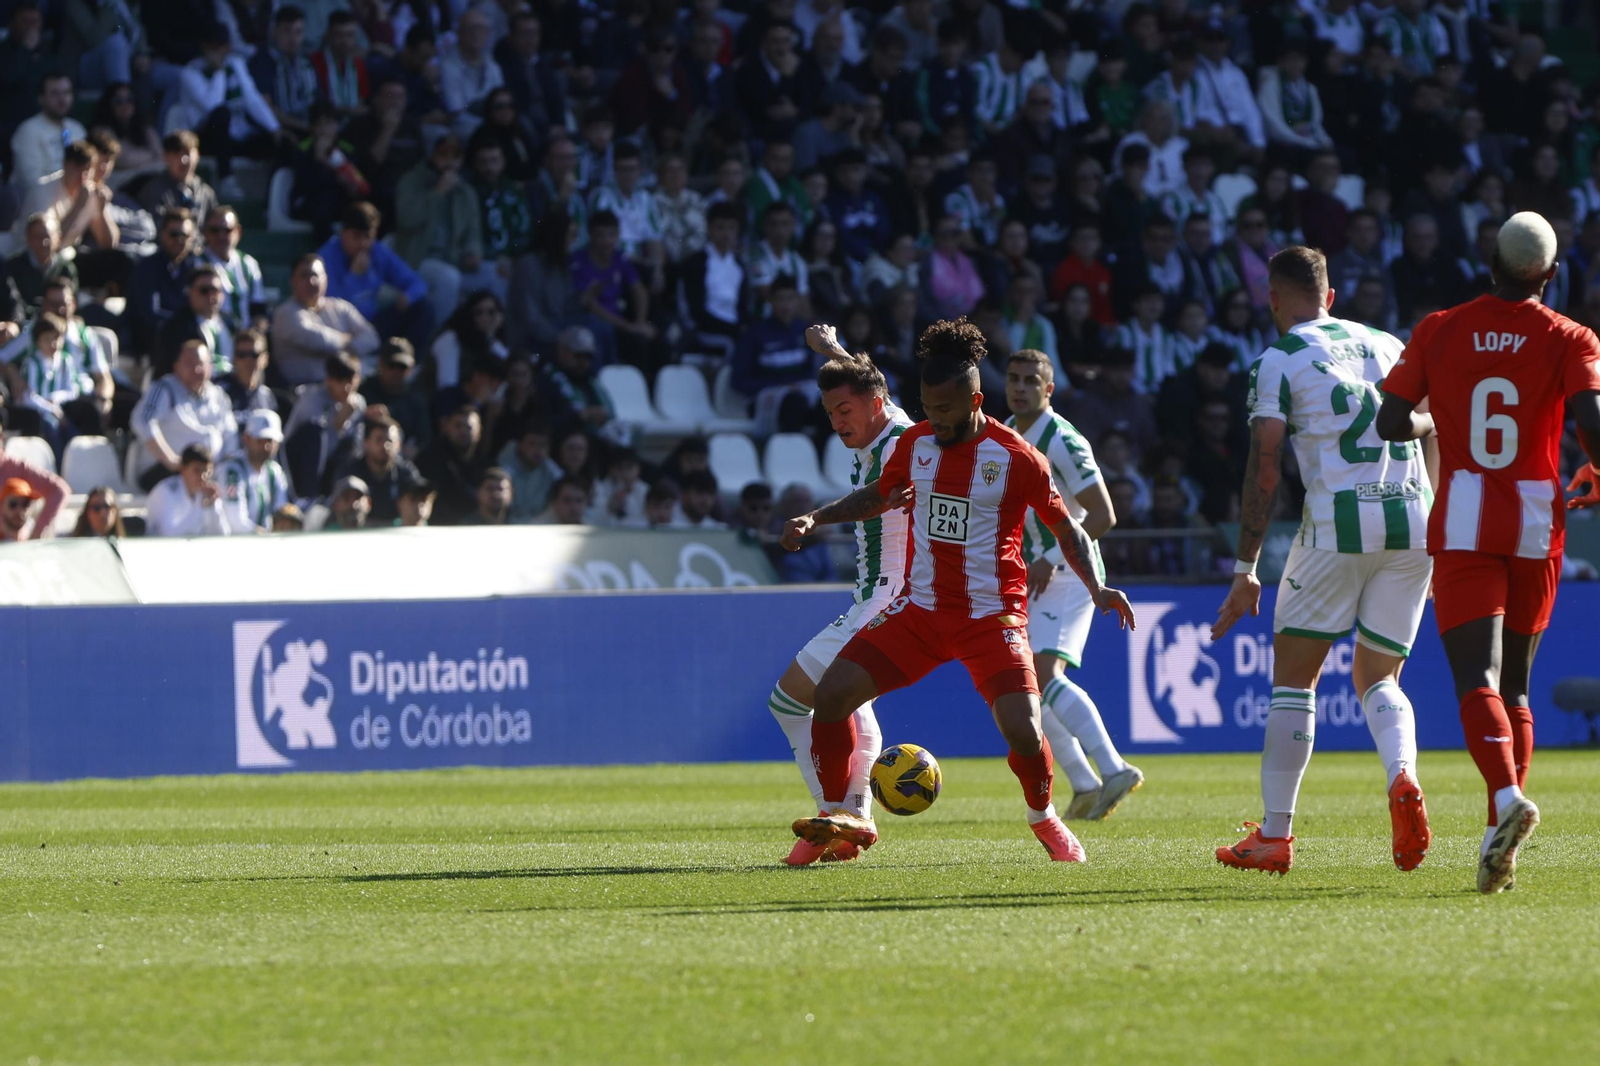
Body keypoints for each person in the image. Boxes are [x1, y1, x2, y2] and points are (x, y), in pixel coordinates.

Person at [782, 317, 1136, 863]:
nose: (934, 421)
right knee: (830, 698)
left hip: (990, 619)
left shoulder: (1016, 457)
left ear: (976, 400)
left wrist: (1099, 586)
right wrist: (816, 518)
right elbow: (879, 494)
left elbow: (1066, 526)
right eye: (927, 408)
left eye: (945, 410)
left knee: (1023, 729)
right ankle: (838, 820)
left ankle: (1045, 818)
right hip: (919, 613)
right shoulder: (919, 442)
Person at [1377, 212, 1600, 894]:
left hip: (1467, 520)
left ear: (1489, 263)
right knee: (1519, 687)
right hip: (1537, 521)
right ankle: (1496, 838)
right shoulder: (1571, 336)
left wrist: (1437, 409)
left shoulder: (1440, 327)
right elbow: (1592, 423)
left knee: (1476, 676)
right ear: (1552, 275)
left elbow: (1390, 421)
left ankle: (1505, 801)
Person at [1212, 245, 1435, 879]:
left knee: (1294, 682)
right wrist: (1438, 522)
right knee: (1380, 679)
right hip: (1414, 521)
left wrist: (1245, 566)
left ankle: (1275, 836)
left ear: (1273, 300)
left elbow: (1265, 466)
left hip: (1336, 525)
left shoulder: (1278, 358)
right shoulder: (1390, 345)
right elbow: (1434, 425)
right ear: (1330, 297)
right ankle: (1402, 776)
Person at [763, 329, 912, 863]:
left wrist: (816, 516)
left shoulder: (901, 442)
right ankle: (852, 822)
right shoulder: (881, 422)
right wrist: (835, 353)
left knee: (789, 700)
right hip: (877, 595)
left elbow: (878, 499)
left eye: (844, 410)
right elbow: (875, 387)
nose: (837, 422)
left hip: (889, 596)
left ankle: (835, 815)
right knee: (849, 703)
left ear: (873, 405)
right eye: (830, 413)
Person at [1003, 348, 1144, 821]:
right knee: (1029, 688)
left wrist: (1046, 556)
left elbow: (1103, 515)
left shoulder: (1062, 439)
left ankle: (1115, 768)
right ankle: (1084, 784)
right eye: (1014, 378)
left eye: (1030, 380)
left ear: (1049, 389)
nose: (1020, 387)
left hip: (1068, 572)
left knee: (1044, 677)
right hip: (1034, 574)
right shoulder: (1005, 432)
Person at [394, 128, 490, 321]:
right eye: (443, 155)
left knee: (494, 276)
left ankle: (485, 340)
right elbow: (407, 219)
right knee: (449, 278)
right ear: (432, 155)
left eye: (455, 156)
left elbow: (473, 230)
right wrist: (438, 193)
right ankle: (435, 338)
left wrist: (473, 252)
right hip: (417, 259)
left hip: (454, 257)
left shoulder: (465, 191)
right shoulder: (411, 181)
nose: (449, 161)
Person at [319, 202, 434, 344]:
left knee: (422, 307)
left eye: (367, 237)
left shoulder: (377, 252)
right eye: (356, 237)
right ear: (343, 234)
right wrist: (354, 276)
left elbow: (417, 283)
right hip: (343, 330)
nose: (362, 243)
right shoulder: (326, 257)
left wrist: (408, 296)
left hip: (373, 325)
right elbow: (332, 308)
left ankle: (410, 364)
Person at [132, 339, 238, 491]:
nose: (196, 370)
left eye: (201, 364)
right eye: (189, 363)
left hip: (210, 473)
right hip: (165, 473)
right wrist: (171, 460)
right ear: (176, 366)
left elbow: (230, 436)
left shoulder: (219, 395)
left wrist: (225, 467)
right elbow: (142, 421)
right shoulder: (164, 388)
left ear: (210, 367)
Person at [271, 254, 381, 387]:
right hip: (307, 392)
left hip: (351, 387)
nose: (311, 281)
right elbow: (318, 340)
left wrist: (347, 349)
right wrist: (347, 340)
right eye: (304, 276)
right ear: (293, 281)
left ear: (326, 279)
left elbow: (372, 338)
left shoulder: (340, 307)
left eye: (316, 275)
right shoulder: (285, 313)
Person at [283, 352, 368, 498]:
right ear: (329, 380)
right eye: (340, 381)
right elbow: (319, 449)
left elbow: (357, 449)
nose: (347, 387)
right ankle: (308, 498)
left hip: (332, 468)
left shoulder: (358, 403)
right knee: (316, 432)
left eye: (350, 380)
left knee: (350, 447)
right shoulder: (312, 399)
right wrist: (338, 425)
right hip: (296, 462)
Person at [129, 207, 205, 356]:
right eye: (174, 234)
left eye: (185, 235)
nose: (179, 240)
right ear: (163, 235)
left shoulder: (194, 267)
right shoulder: (147, 267)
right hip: (149, 342)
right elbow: (150, 315)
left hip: (186, 338)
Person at [154, 264, 234, 380]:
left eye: (215, 290)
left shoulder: (231, 324)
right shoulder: (175, 328)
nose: (211, 296)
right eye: (204, 290)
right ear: (190, 291)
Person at [217, 409, 291, 533]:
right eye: (260, 441)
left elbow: (281, 510)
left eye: (270, 441)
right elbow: (235, 522)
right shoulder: (232, 471)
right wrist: (265, 535)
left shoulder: (274, 470)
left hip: (264, 541)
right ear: (246, 439)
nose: (266, 447)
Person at [417, 398, 487, 525]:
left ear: (479, 431)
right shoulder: (431, 458)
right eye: (458, 426)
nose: (463, 431)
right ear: (447, 428)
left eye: (469, 427)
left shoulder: (484, 462)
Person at [0, 408, 68, 538]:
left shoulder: (16, 467)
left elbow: (59, 490)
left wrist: (36, 533)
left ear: (2, 438)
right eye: (14, 504)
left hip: (12, 549)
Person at [12, 74, 87, 190]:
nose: (62, 99)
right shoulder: (28, 130)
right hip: (36, 202)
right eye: (55, 94)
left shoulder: (77, 128)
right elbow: (31, 182)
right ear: (41, 98)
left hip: (72, 196)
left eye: (66, 92)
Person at [201, 206, 267, 332]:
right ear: (206, 232)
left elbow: (259, 311)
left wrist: (256, 334)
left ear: (238, 231)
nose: (221, 236)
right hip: (210, 334)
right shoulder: (196, 262)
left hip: (244, 340)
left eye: (227, 230)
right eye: (215, 230)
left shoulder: (249, 264)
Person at [145, 443, 230, 537]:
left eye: (206, 472)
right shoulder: (166, 491)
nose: (203, 477)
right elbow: (169, 535)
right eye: (196, 470)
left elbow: (222, 534)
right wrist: (201, 508)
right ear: (183, 468)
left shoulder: (205, 493)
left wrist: (212, 505)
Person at [137, 131, 218, 225]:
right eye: (176, 153)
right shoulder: (153, 190)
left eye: (187, 153)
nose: (183, 160)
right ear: (166, 156)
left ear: (197, 155)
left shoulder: (206, 193)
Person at [0, 478, 49, 543]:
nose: (20, 510)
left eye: (26, 504)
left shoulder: (35, 533)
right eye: (13, 504)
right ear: (2, 505)